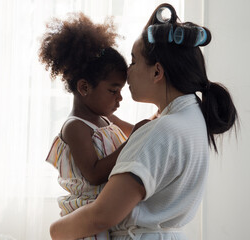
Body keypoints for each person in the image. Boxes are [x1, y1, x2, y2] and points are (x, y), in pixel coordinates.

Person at [49, 3, 238, 240]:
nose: (128, 72)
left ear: (157, 72)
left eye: (133, 61)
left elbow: (101, 216)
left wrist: (55, 231)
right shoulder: (190, 119)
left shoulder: (162, 130)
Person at [39, 13, 143, 240]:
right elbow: (93, 174)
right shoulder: (75, 127)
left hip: (108, 212)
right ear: (84, 87)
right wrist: (133, 141)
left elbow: (137, 131)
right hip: (87, 221)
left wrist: (152, 124)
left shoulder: (106, 119)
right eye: (113, 91)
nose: (120, 99)